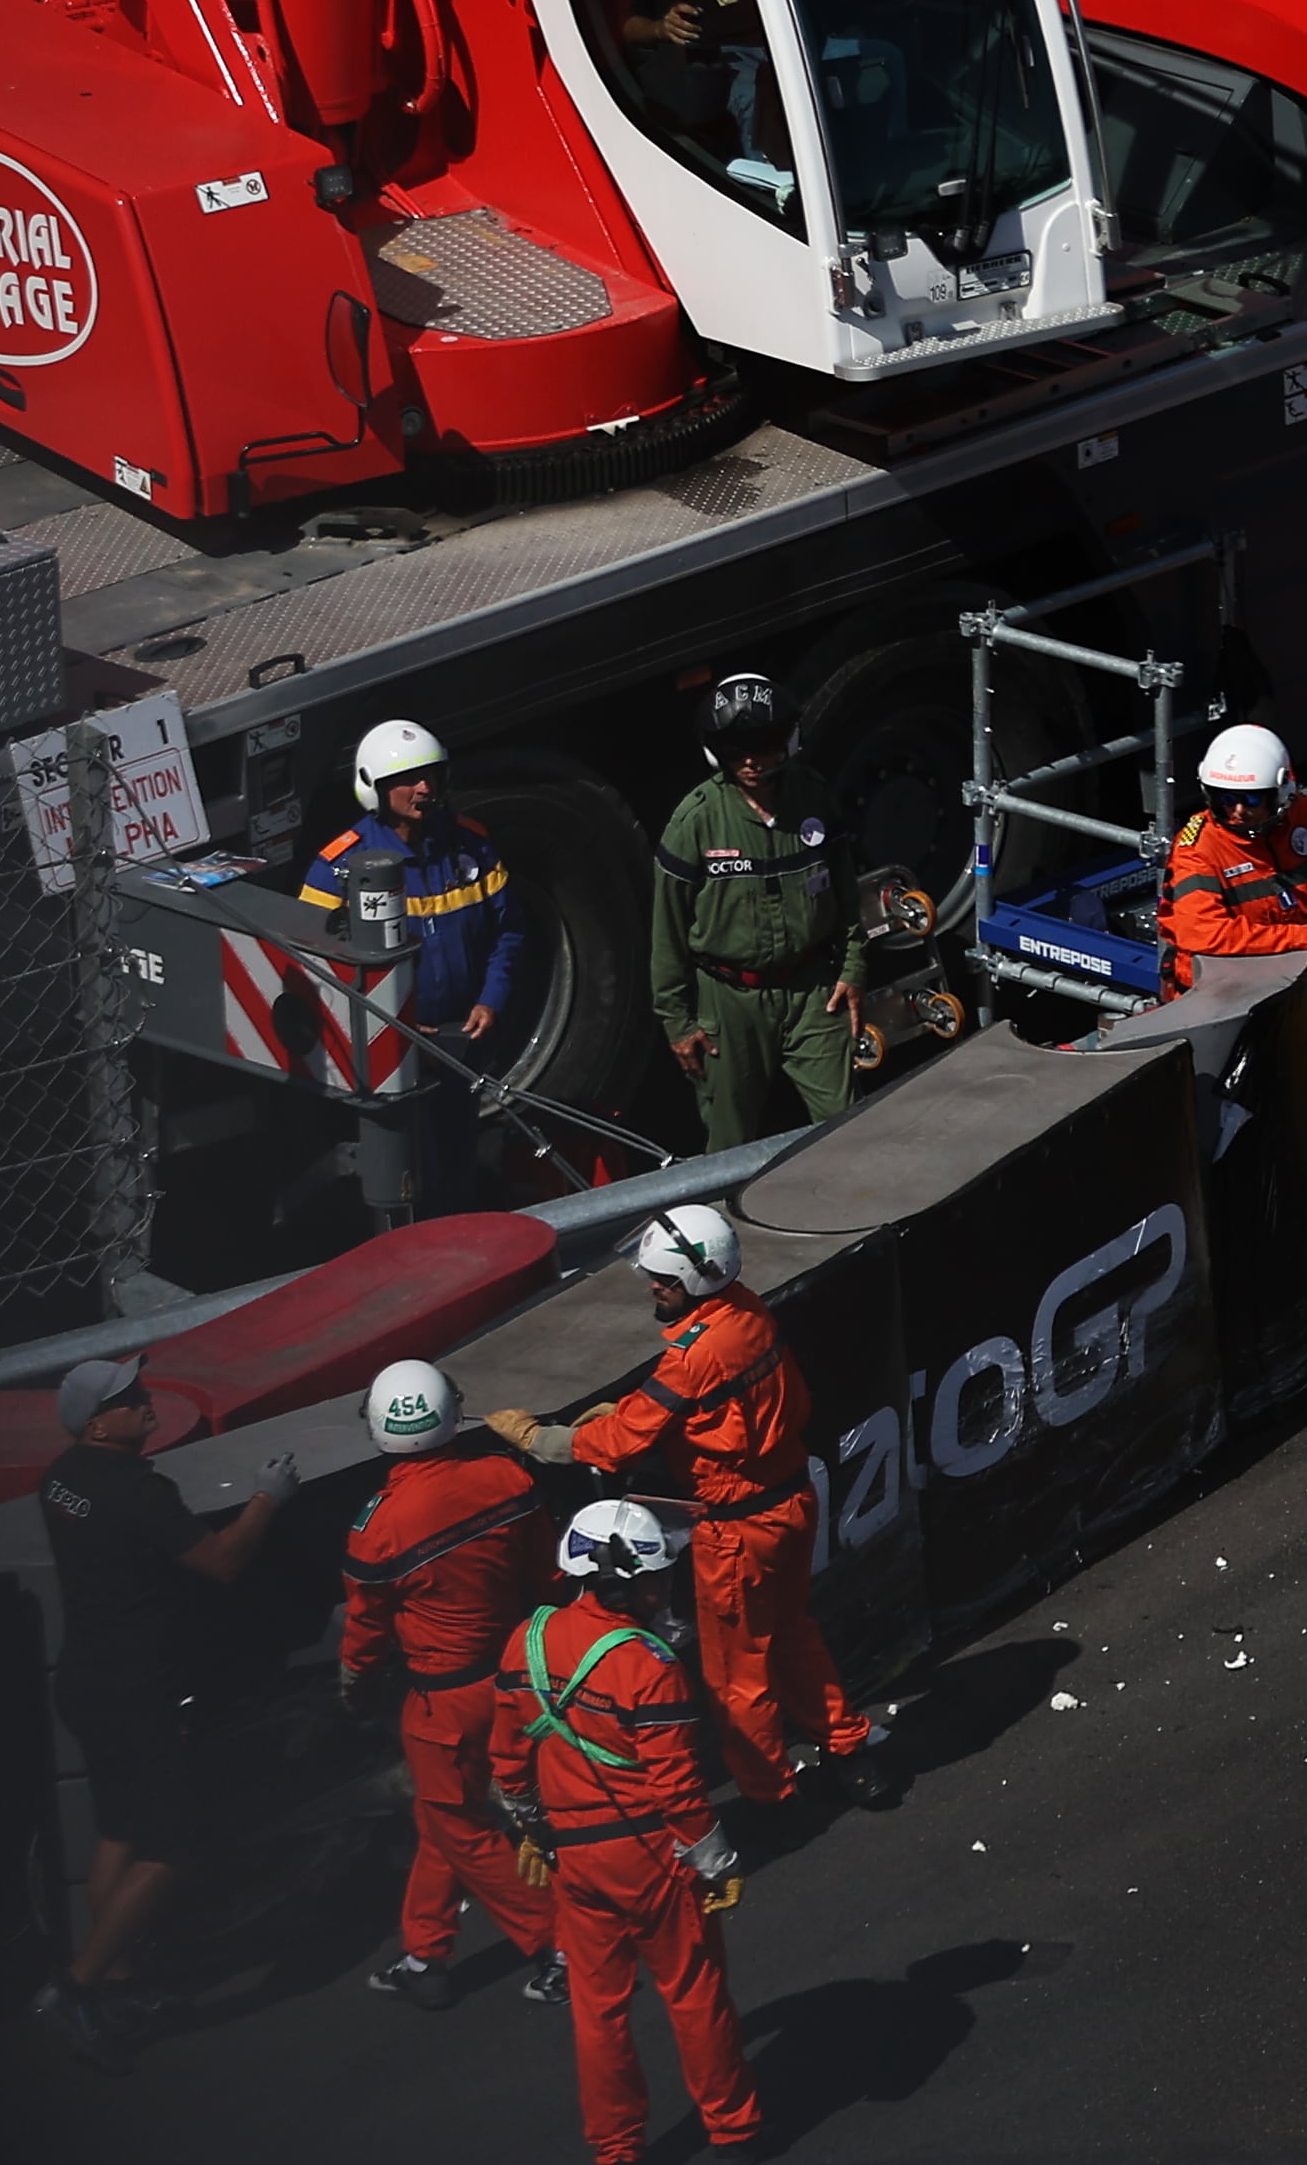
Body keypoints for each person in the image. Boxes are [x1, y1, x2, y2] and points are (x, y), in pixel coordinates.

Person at [488, 1208, 901, 1811]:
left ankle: (771, 1796)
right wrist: (631, 1409)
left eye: (663, 1278)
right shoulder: (745, 1311)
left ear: (696, 1279)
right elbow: (700, 1403)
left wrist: (540, 1440)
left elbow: (625, 1440)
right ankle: (848, 1751)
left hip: (737, 1531)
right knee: (792, 1636)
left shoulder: (696, 1352)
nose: (653, 1286)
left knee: (738, 1676)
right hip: (789, 1502)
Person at [31, 1355, 298, 2061]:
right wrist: (267, 1499)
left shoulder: (58, 1479)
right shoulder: (137, 1491)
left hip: (86, 1682)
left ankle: (116, 1984)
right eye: (130, 1399)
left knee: (120, 1834)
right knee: (172, 1849)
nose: (146, 1404)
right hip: (136, 1692)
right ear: (98, 1425)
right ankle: (81, 1986)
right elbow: (222, 1563)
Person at [494, 1500, 767, 2164]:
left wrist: (530, 1826)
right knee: (694, 1992)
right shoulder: (651, 1665)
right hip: (650, 1857)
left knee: (597, 2010)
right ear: (623, 1582)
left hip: (572, 1860)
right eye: (654, 1578)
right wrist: (716, 1860)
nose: (662, 1586)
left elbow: (507, 1761)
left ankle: (615, 2150)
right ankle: (732, 2131)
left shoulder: (526, 1640)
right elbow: (676, 1787)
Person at [341, 1359, 560, 2012]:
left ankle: (563, 1943)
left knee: (459, 1822)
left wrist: (353, 1685)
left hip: (443, 1699)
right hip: (520, 1674)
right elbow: (547, 1577)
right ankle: (425, 1952)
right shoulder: (506, 1477)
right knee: (439, 1813)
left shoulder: (378, 1524)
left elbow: (365, 1630)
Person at [303, 720, 528, 1214]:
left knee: (456, 1165)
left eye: (431, 775)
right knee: (394, 1179)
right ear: (375, 788)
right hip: (385, 1056)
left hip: (458, 1045)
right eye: (408, 779)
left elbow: (508, 933)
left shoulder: (472, 847)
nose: (424, 788)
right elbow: (317, 974)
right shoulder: (336, 869)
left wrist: (491, 1000)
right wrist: (396, 1032)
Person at [649, 673, 864, 1150]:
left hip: (812, 992)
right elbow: (667, 933)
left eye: (763, 745)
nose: (750, 760)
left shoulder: (815, 798)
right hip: (728, 1003)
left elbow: (847, 896)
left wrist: (853, 968)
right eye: (736, 747)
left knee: (848, 1125)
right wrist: (679, 1024)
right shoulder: (695, 821)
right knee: (729, 1143)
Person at [1160, 721, 1307, 995]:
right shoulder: (1197, 851)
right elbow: (1205, 934)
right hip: (1217, 993)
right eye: (1225, 799)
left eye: (1251, 800)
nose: (1237, 811)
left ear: (1279, 794)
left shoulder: (1303, 817)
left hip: (1290, 971)